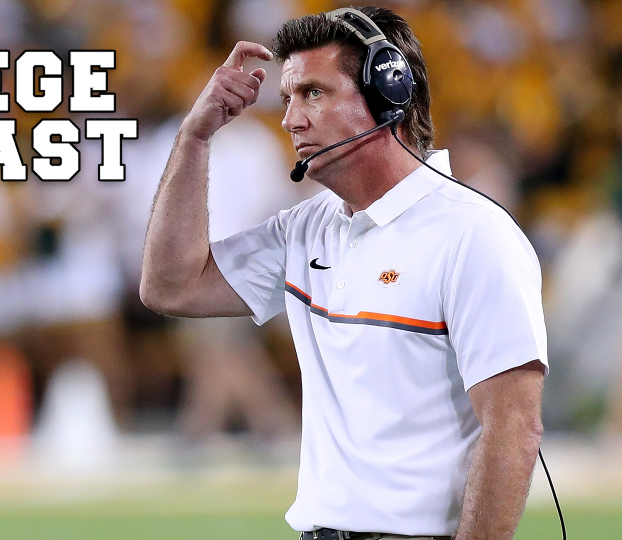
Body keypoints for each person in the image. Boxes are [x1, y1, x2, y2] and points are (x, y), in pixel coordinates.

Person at [141, 6, 548, 540]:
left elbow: (513, 428)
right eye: (288, 99)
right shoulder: (306, 229)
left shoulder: (474, 235)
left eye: (314, 93)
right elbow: (169, 284)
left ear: (388, 95)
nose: (290, 119)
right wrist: (195, 139)